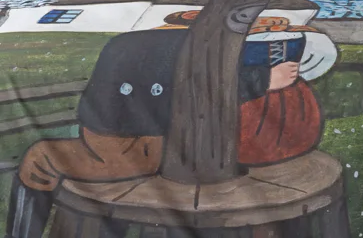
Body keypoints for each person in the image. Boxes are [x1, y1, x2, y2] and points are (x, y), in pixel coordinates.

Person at [6, 17, 336, 238]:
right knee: (41, 159)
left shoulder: (164, 44)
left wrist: (262, 79)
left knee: (39, 159)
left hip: (146, 145)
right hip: (138, 141)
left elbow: (208, 77)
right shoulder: (186, 44)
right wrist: (264, 78)